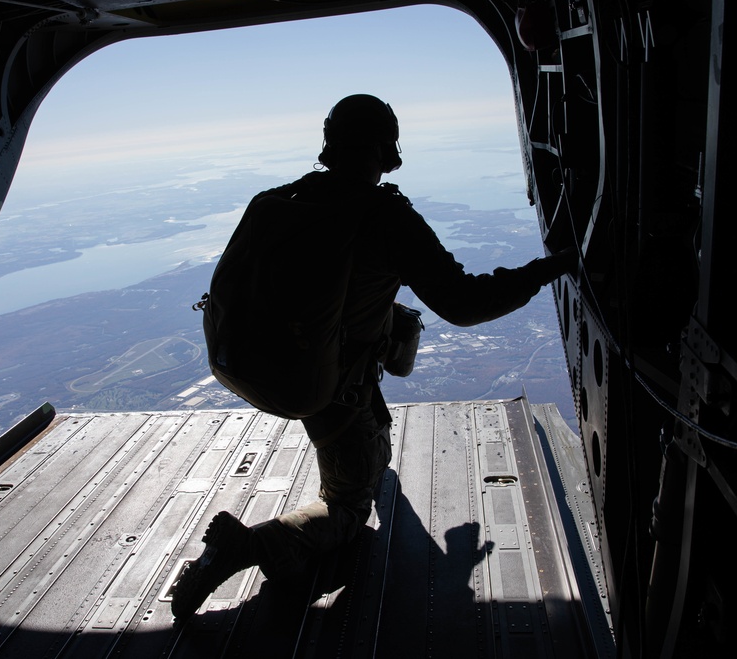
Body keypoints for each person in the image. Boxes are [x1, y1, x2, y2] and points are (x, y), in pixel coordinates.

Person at [171, 94, 573, 621]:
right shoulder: (382, 216)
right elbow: (466, 303)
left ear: (329, 142)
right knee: (348, 506)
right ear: (388, 148)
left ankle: (354, 464)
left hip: (278, 360)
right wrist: (551, 267)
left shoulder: (282, 199)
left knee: (366, 442)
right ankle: (250, 546)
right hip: (334, 391)